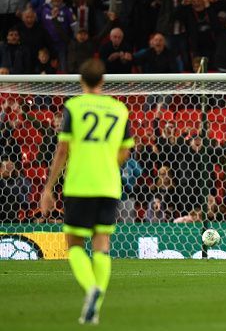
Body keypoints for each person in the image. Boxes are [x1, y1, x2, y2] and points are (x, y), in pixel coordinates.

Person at [40, 59, 134, 324]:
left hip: (80, 183)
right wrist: (108, 164)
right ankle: (96, 304)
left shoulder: (74, 107)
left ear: (81, 81)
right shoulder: (119, 109)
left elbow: (62, 149)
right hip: (108, 184)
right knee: (102, 243)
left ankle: (91, 288)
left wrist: (48, 188)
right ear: (102, 81)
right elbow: (125, 151)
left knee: (74, 243)